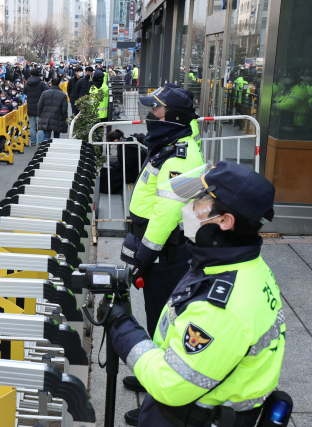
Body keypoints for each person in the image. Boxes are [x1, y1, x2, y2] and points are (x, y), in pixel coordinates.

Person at [105, 161, 284, 427]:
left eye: (198, 201)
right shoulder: (239, 266)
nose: (186, 208)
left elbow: (171, 385)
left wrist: (122, 329)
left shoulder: (220, 306)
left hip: (190, 417)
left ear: (224, 221)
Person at [118, 84, 204, 425]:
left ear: (175, 117)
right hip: (160, 252)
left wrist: (143, 255)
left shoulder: (182, 155)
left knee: (166, 328)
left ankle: (158, 405)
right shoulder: (169, 146)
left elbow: (167, 215)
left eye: (156, 111)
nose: (151, 115)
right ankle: (148, 374)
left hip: (165, 255)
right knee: (157, 321)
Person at [37, 77, 68, 143]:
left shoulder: (44, 93)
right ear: (59, 84)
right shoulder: (63, 95)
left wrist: (40, 115)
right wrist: (65, 119)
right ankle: (55, 150)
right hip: (58, 118)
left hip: (46, 117)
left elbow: (39, 106)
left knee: (46, 136)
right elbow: (64, 109)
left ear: (51, 84)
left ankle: (43, 149)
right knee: (56, 137)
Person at [24, 68, 50, 146]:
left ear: (30, 75)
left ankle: (33, 142)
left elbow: (24, 92)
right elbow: (47, 91)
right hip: (40, 107)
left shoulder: (27, 84)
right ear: (38, 75)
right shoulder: (42, 83)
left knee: (32, 126)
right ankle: (40, 141)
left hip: (30, 107)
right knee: (40, 126)